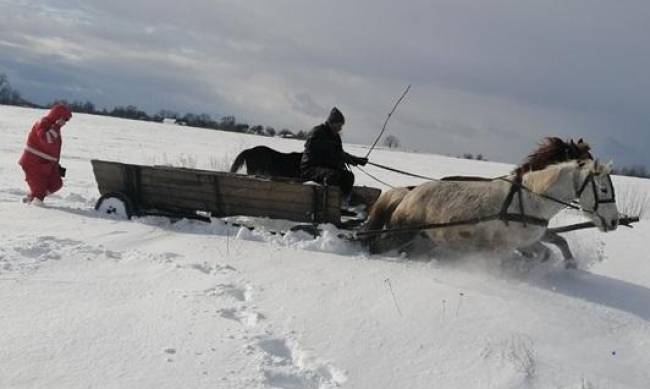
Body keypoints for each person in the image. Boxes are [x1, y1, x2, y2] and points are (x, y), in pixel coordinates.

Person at [300, 107, 368, 205]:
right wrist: (344, 158)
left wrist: (356, 160)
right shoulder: (317, 132)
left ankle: (343, 202)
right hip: (311, 168)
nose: (340, 128)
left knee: (348, 176)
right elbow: (328, 153)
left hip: (326, 168)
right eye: (339, 125)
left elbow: (340, 153)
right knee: (332, 176)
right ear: (332, 123)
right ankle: (327, 204)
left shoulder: (336, 136)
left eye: (341, 126)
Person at [18, 103, 72, 204]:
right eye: (64, 119)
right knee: (39, 192)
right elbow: (45, 139)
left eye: (67, 120)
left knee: (56, 184)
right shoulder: (42, 123)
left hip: (46, 165)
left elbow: (51, 150)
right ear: (58, 116)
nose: (65, 122)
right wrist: (56, 126)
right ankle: (34, 206)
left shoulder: (55, 128)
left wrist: (55, 166)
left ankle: (32, 198)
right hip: (33, 163)